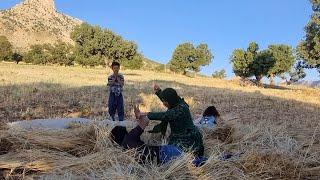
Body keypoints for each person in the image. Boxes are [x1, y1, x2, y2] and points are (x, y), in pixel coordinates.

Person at [134, 84, 205, 158]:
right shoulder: (176, 102)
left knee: (179, 155)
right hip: (180, 135)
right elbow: (168, 99)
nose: (163, 103)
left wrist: (143, 114)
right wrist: (158, 91)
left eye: (165, 101)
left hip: (187, 139)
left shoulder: (181, 109)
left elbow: (164, 115)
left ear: (170, 101)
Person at [110, 115, 207, 166]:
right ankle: (218, 159)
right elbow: (146, 121)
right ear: (124, 132)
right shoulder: (130, 136)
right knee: (194, 161)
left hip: (160, 162)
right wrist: (141, 116)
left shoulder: (123, 149)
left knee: (193, 162)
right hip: (165, 153)